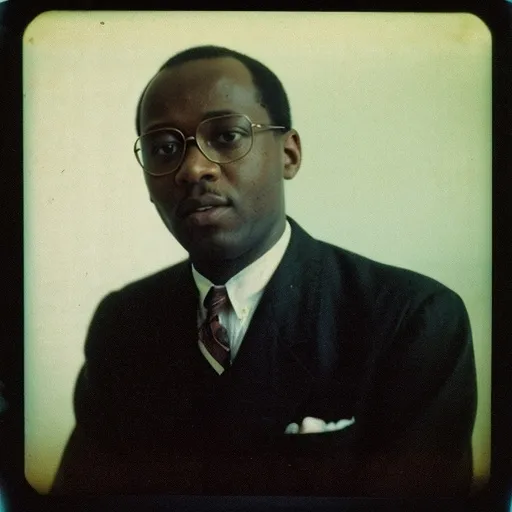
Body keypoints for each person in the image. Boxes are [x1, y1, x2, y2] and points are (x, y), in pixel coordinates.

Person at [51, 45, 477, 497]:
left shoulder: (413, 318)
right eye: (164, 147)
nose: (194, 168)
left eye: (228, 137)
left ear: (289, 154)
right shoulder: (124, 323)